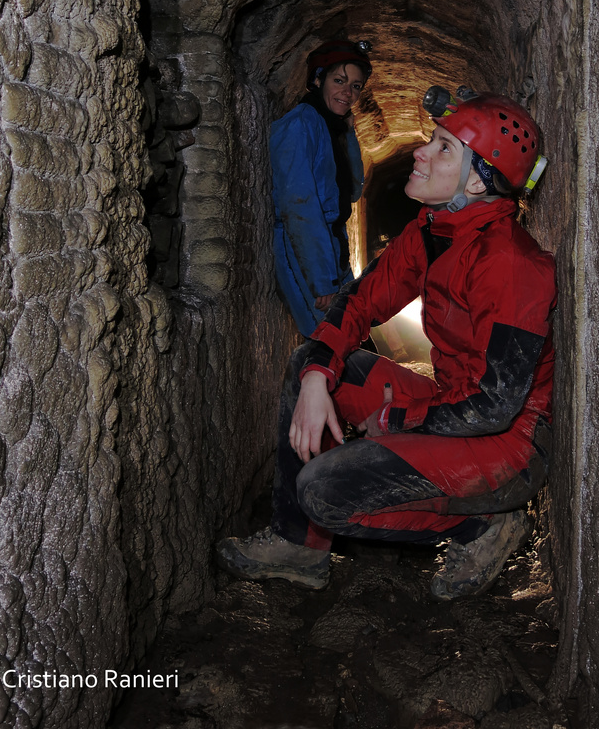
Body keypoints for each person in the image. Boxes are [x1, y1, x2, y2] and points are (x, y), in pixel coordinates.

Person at [219, 86, 556, 600]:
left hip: (506, 444)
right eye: (432, 140)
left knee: (323, 491)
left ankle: (483, 527)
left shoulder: (508, 262)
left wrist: (397, 420)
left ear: (477, 178)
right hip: (453, 405)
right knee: (312, 367)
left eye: (443, 147)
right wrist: (317, 375)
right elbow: (360, 303)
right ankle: (300, 548)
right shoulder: (433, 230)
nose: (421, 151)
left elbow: (495, 406)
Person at [270, 38, 373, 338]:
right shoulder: (300, 125)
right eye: (339, 80)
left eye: (355, 86)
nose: (348, 92)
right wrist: (321, 280)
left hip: (334, 249)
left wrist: (349, 134)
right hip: (309, 257)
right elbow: (300, 208)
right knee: (331, 344)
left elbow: (354, 190)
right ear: (318, 79)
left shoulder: (329, 127)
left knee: (354, 334)